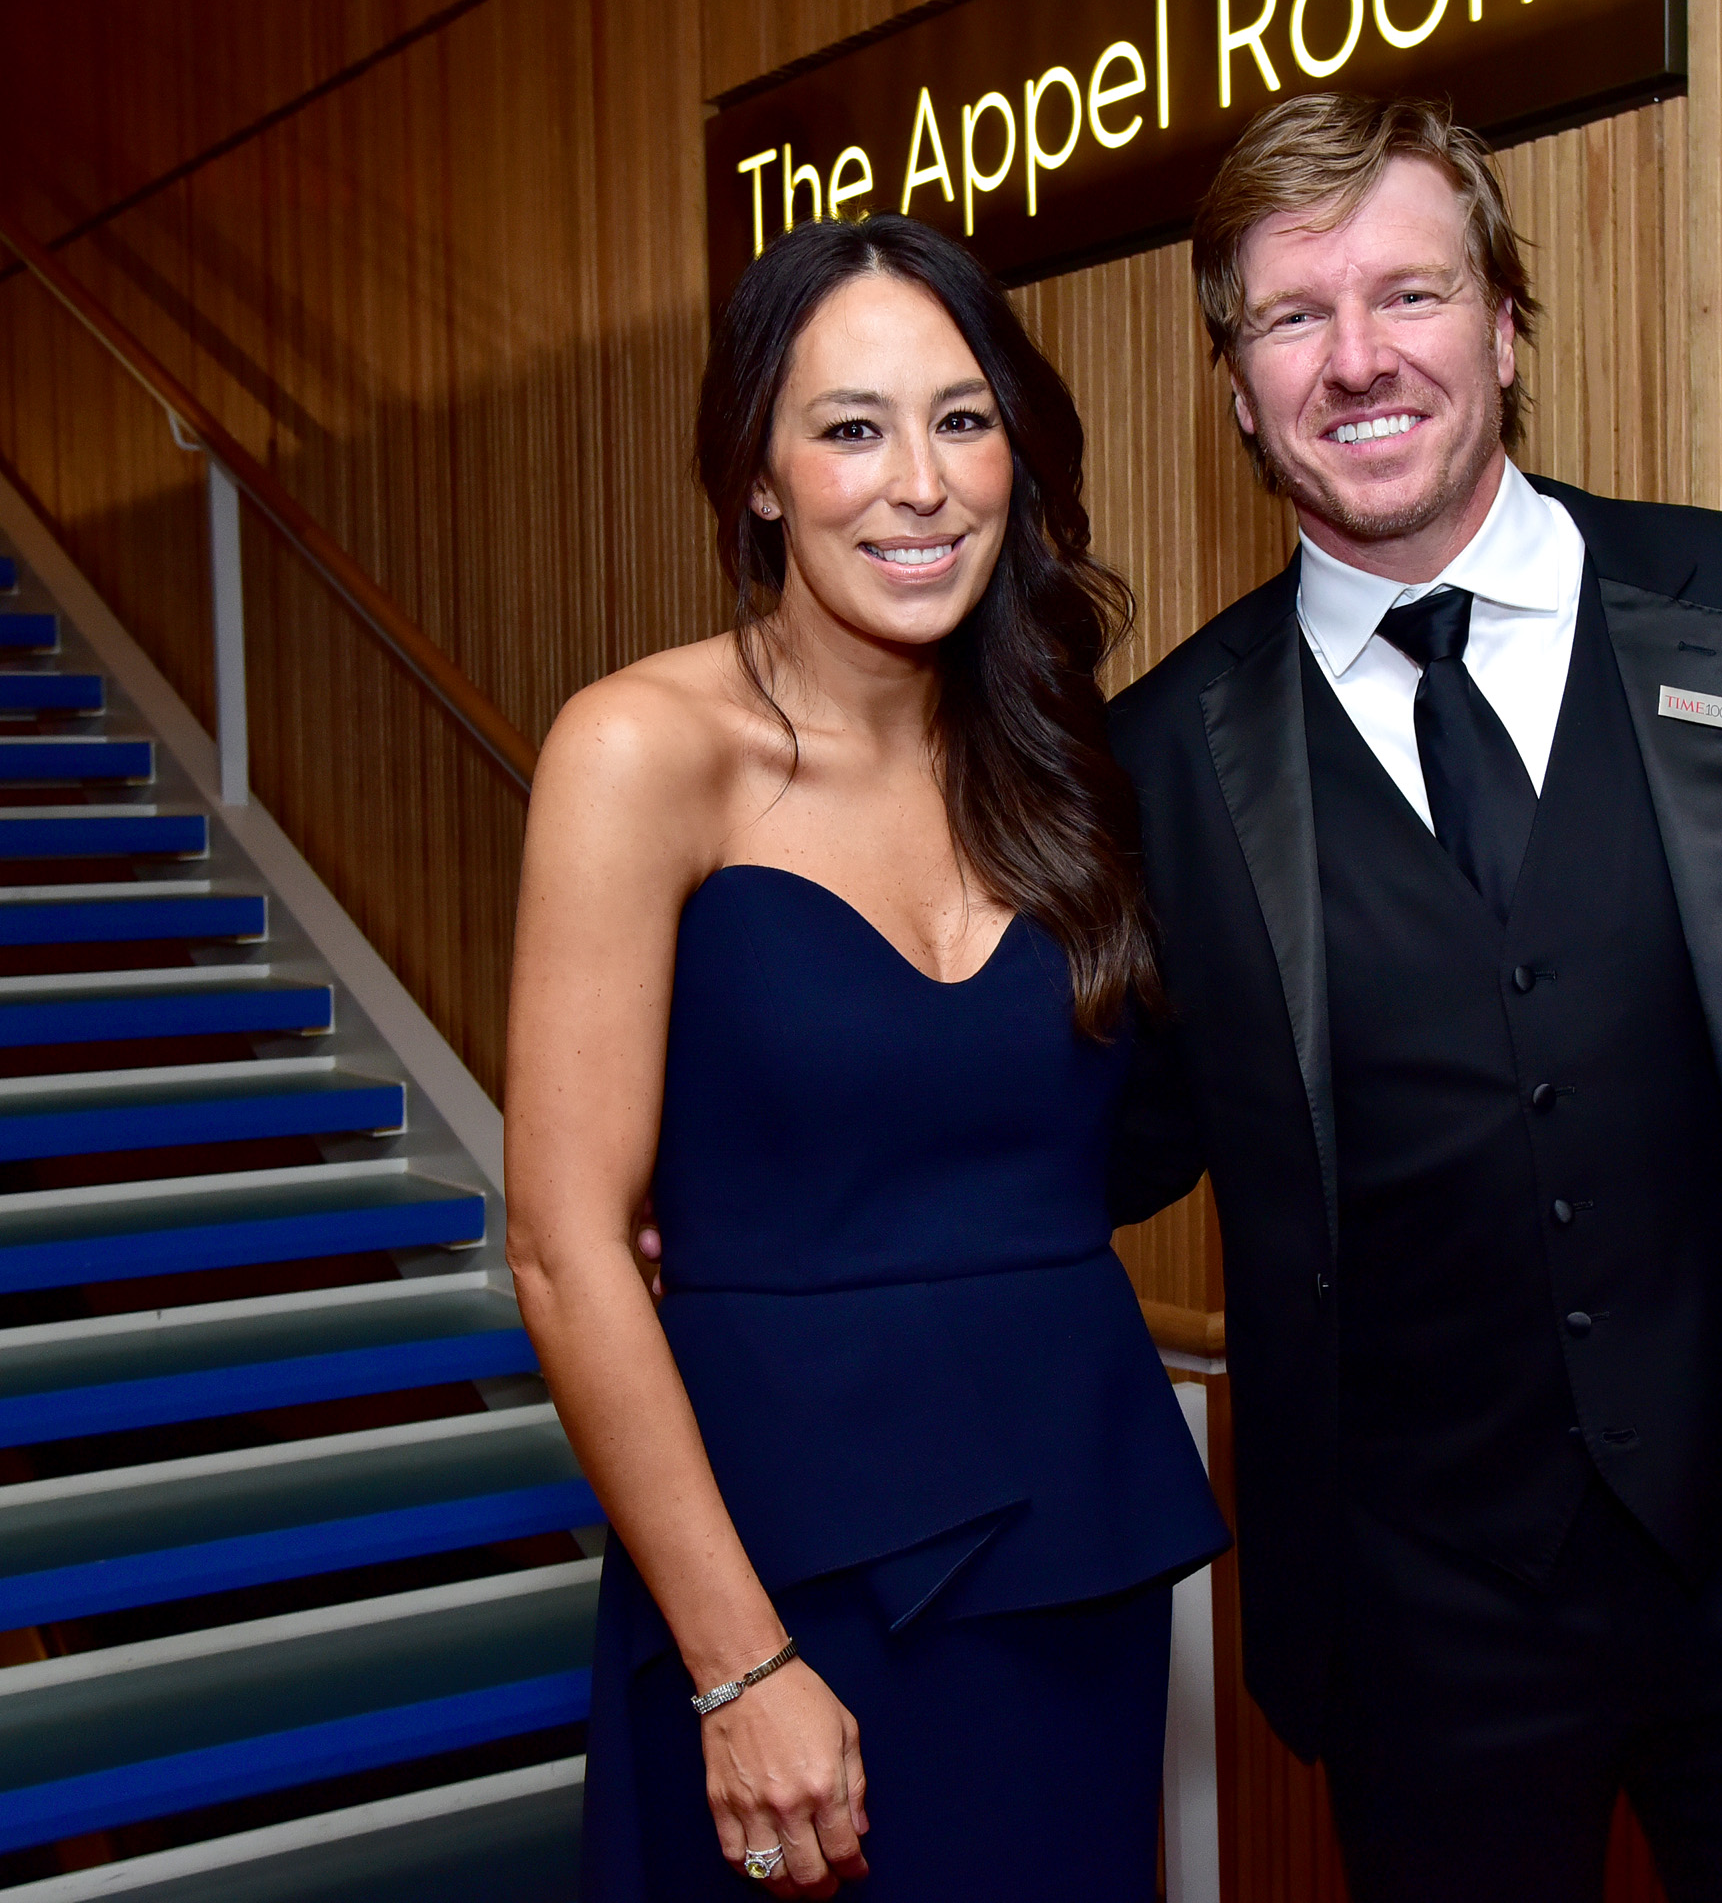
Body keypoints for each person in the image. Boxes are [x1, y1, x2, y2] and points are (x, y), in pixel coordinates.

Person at [1106, 93, 1722, 1899]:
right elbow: (1110, 1129)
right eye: (1293, 318)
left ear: (1509, 326)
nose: (1357, 358)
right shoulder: (1158, 757)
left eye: (1411, 295)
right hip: (1421, 1632)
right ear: (1233, 383)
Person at [507, 213, 1228, 1899]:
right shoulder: (641, 749)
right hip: (777, 1567)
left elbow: (1145, 1119)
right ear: (757, 474)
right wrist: (738, 1662)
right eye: (851, 427)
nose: (921, 482)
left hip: (1074, 1558)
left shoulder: (1067, 763)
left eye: (962, 419)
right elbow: (563, 1246)